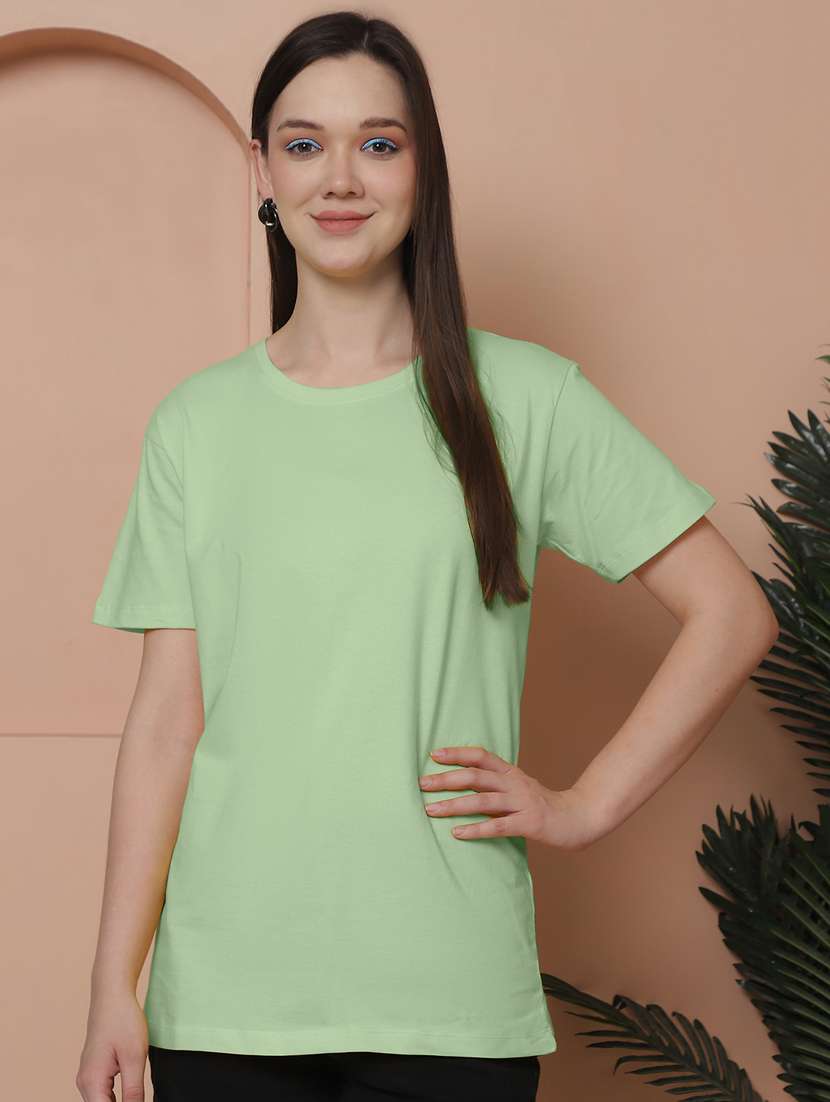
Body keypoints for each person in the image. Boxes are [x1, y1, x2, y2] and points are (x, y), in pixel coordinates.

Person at [75, 10, 778, 1102]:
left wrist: (584, 805)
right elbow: (168, 720)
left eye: (379, 142)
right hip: (223, 1000)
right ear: (262, 170)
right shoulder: (196, 426)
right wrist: (111, 983)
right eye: (304, 144)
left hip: (449, 1004)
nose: (339, 178)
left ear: (423, 167)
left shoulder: (527, 398)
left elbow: (732, 613)